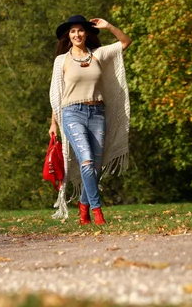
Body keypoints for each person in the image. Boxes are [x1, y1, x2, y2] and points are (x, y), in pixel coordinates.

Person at [48, 15, 132, 225]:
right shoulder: (62, 61)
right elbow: (57, 94)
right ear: (68, 35)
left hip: (96, 113)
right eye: (73, 31)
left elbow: (125, 42)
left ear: (87, 33)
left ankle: (83, 208)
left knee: (95, 166)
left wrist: (108, 26)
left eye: (81, 30)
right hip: (71, 113)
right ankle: (97, 212)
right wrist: (53, 123)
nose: (77, 34)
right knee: (86, 161)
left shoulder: (98, 55)